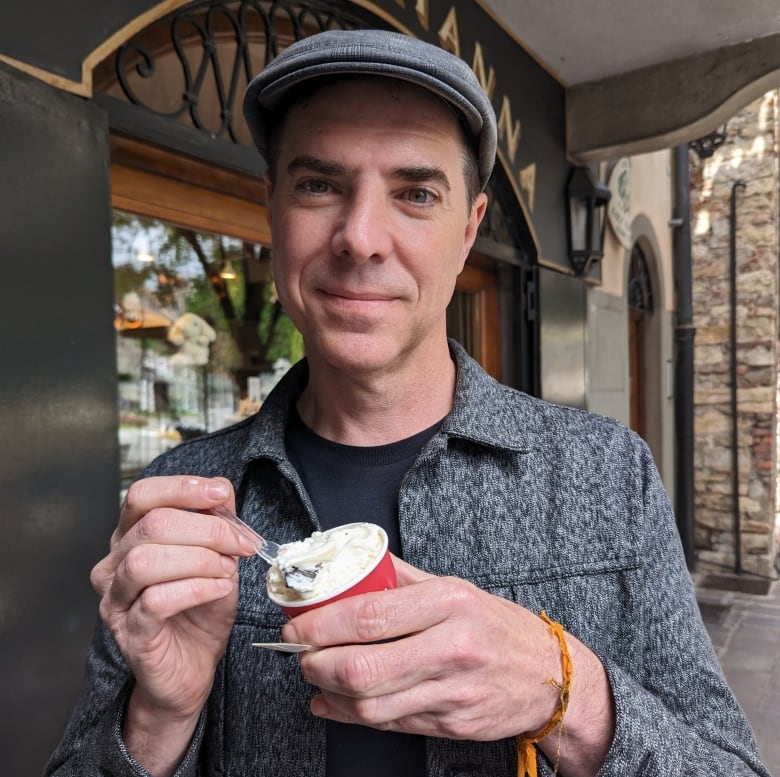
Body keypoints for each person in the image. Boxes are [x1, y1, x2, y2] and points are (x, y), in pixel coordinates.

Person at [46, 29, 769, 777]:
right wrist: (160, 717)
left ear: (468, 229)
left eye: (415, 193)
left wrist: (568, 692)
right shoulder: (191, 503)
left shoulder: (607, 473)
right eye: (319, 185)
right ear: (272, 209)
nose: (360, 237)